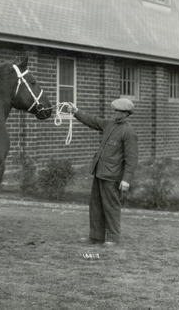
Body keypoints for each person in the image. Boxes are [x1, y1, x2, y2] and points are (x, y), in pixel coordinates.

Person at [69, 98, 138, 247]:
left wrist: (126, 179)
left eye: (118, 111)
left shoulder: (129, 132)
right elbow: (93, 121)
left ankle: (112, 238)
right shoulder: (109, 124)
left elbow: (131, 159)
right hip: (99, 172)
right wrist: (76, 112)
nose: (115, 113)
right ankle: (95, 237)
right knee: (95, 206)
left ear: (126, 113)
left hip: (113, 177)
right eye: (115, 110)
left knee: (111, 207)